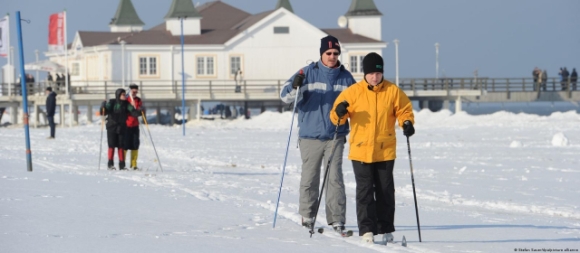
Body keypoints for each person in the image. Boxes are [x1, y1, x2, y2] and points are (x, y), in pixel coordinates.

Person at [330, 52, 415, 244]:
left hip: (385, 149)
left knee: (385, 190)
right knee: (365, 190)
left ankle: (385, 228)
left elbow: (404, 111)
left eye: (378, 73)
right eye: (370, 73)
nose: (374, 77)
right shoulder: (353, 92)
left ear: (382, 72)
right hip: (361, 150)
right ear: (364, 74)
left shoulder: (393, 91)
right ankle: (367, 229)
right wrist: (339, 112)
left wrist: (407, 123)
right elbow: (336, 117)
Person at [279, 35, 356, 234]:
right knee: (310, 177)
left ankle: (337, 219)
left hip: (335, 135)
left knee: (335, 178)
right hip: (310, 136)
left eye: (335, 53)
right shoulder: (307, 73)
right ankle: (307, 215)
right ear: (321, 53)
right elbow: (285, 98)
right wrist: (295, 86)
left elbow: (358, 104)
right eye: (328, 53)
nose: (332, 56)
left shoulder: (346, 78)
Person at [101, 88, 142, 170]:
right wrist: (103, 106)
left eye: (124, 94)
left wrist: (139, 112)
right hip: (111, 127)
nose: (124, 96)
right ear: (118, 95)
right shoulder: (112, 102)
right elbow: (105, 111)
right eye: (123, 94)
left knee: (121, 146)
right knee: (111, 145)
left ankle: (122, 165)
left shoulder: (126, 104)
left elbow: (132, 111)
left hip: (122, 127)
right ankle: (110, 164)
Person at [124, 84, 143, 170]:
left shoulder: (138, 100)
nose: (135, 93)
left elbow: (139, 109)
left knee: (135, 144)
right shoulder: (126, 99)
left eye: (136, 91)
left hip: (135, 125)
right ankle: (122, 163)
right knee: (125, 144)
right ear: (130, 91)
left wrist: (139, 110)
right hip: (126, 125)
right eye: (133, 91)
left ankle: (134, 164)